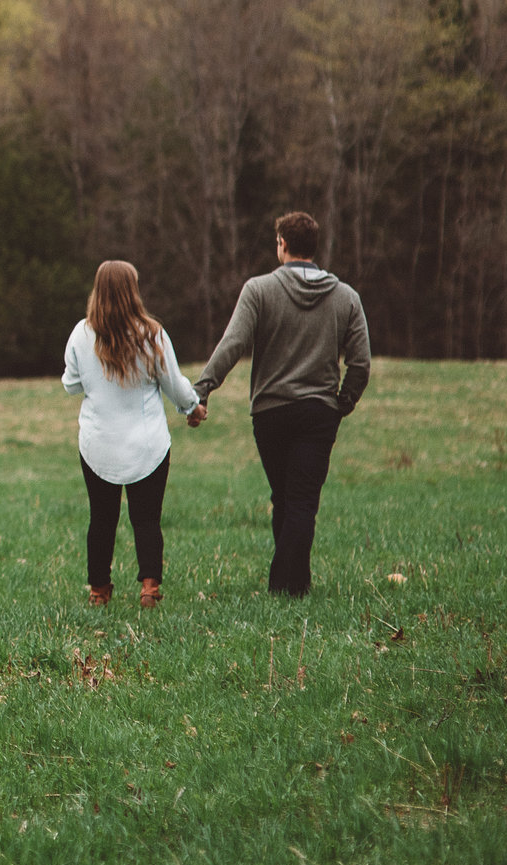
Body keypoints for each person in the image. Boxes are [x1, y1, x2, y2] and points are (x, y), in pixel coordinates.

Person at [195, 211, 372, 597]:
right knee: (301, 500)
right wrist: (344, 401)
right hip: (318, 411)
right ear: (314, 247)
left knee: (286, 497)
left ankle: (286, 587)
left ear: (283, 245)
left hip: (271, 413)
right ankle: (293, 586)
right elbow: (360, 362)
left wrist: (203, 389)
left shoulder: (258, 290)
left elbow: (233, 344)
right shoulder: (346, 297)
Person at [63, 260, 204, 609]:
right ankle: (149, 587)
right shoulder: (152, 333)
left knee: (101, 518)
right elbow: (174, 384)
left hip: (98, 445)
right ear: (132, 291)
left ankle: (99, 590)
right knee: (146, 518)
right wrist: (193, 408)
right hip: (147, 445)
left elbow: (70, 384)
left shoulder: (81, 334)